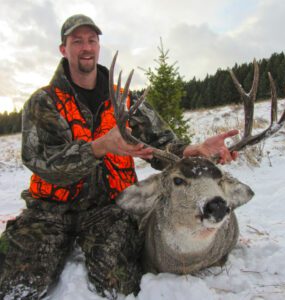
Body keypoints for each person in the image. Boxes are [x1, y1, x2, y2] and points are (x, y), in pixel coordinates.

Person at [0, 14, 238, 299]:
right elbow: (41, 163)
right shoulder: (43, 102)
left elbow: (160, 144)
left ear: (98, 46)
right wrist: (98, 147)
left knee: (119, 286)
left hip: (109, 208)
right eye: (77, 41)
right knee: (15, 285)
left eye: (92, 40)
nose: (86, 47)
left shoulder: (126, 101)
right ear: (64, 49)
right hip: (49, 211)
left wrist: (191, 150)